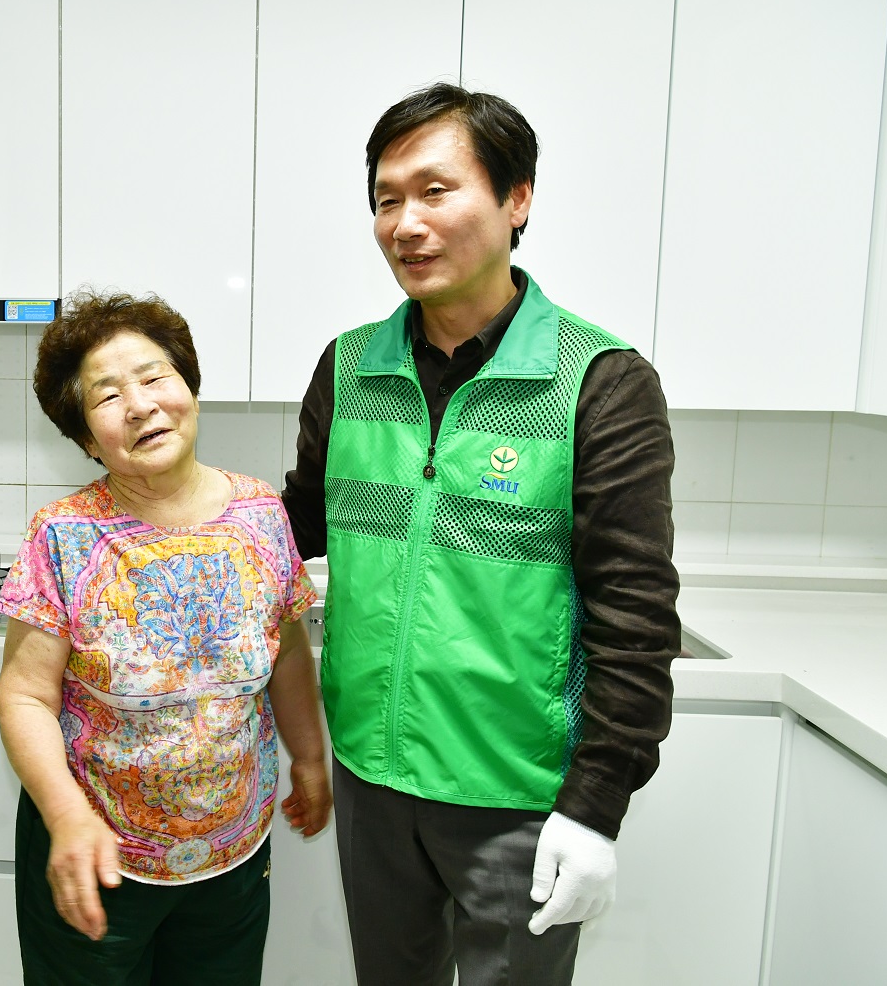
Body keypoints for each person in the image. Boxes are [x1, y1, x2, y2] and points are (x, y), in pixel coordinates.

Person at [282, 83, 680, 985]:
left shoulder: (598, 382)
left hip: (518, 795)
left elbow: (636, 617)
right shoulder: (349, 366)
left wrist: (595, 805)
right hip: (372, 776)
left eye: (435, 191)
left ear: (517, 199)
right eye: (386, 199)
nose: (404, 224)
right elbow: (296, 523)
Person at [0, 290, 332, 985]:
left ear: (189, 390)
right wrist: (66, 817)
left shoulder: (261, 513)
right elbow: (25, 697)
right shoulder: (62, 534)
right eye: (107, 395)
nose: (140, 405)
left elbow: (288, 651)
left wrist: (308, 756)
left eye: (154, 377)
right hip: (97, 858)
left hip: (234, 854)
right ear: (87, 439)